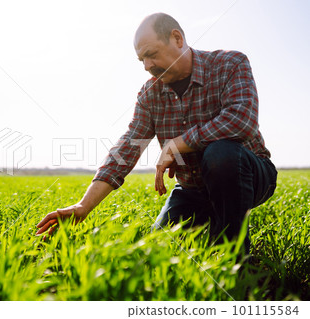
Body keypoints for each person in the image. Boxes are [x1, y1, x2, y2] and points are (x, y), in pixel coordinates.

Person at [36, 13, 277, 250]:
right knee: (157, 249)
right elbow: (128, 147)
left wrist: (177, 144)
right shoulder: (149, 95)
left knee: (220, 153)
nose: (146, 66)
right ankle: (213, 217)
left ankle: (234, 259)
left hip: (251, 174)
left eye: (151, 55)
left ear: (177, 39)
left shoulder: (229, 64)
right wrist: (83, 205)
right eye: (141, 59)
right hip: (192, 189)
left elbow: (241, 120)